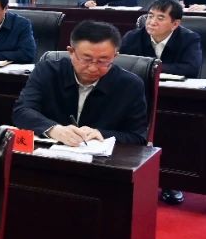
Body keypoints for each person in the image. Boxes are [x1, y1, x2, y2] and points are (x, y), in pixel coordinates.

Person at [12, 20, 148, 146]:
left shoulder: (130, 85)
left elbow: (138, 137)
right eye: (86, 59)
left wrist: (102, 134)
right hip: (48, 154)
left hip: (102, 160)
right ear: (71, 52)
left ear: (115, 56)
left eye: (102, 61)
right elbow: (22, 111)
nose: (93, 68)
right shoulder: (47, 71)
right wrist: (53, 129)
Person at [120, 0, 202, 78]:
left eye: (160, 18)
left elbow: (191, 69)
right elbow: (120, 63)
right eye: (150, 16)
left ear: (175, 24)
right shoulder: (132, 37)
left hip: (175, 86)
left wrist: (151, 67)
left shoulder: (189, 39)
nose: (152, 22)